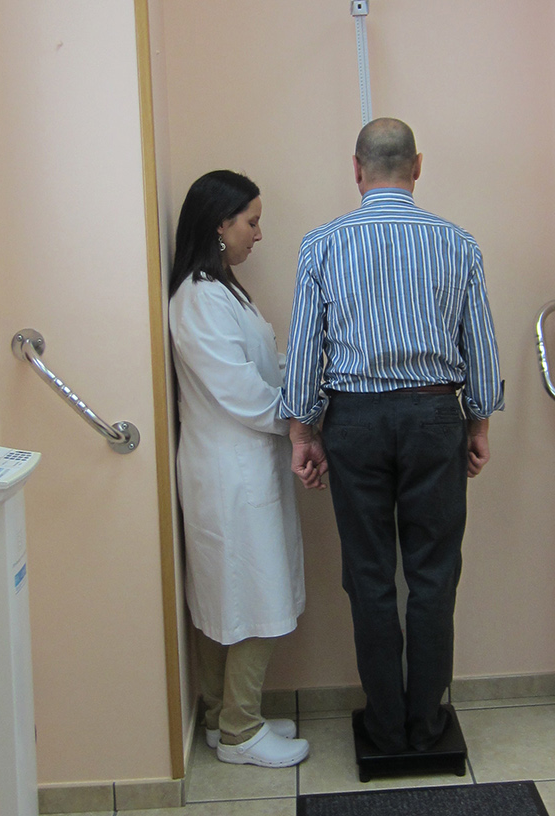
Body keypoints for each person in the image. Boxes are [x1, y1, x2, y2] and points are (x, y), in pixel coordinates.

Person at [280, 118, 503, 755]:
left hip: (354, 421)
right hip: (436, 416)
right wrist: (478, 422)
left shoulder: (321, 245)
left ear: (357, 169)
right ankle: (427, 727)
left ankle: (384, 726)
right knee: (434, 576)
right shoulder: (458, 243)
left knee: (369, 576)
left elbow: (306, 351)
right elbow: (480, 345)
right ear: (418, 166)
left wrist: (302, 432)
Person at [168, 170, 309, 768]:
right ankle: (241, 731)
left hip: (239, 466)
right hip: (230, 471)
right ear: (220, 225)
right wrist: (298, 418)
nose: (259, 233)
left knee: (227, 595)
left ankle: (219, 716)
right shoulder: (200, 298)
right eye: (251, 221)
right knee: (253, 595)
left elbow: (259, 367)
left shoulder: (220, 291)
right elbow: (242, 392)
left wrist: (303, 373)